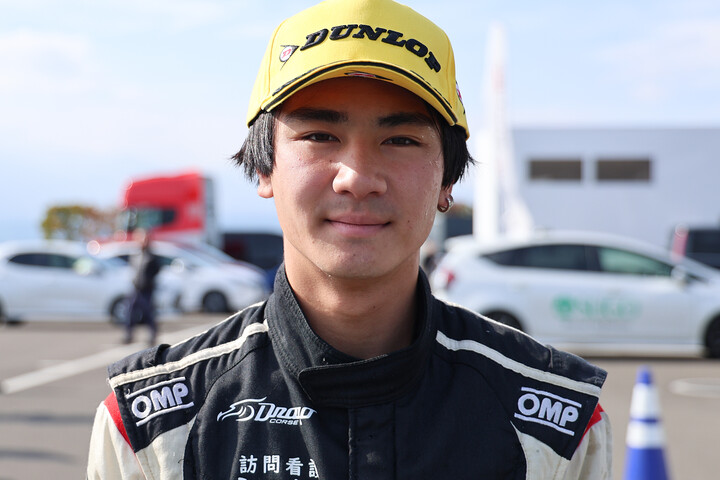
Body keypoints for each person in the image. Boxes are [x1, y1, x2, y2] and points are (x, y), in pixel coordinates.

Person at [87, 0, 612, 478]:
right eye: (319, 136)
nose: (357, 178)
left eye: (400, 139)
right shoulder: (152, 429)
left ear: (447, 180)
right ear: (264, 168)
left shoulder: (558, 429)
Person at [123, 229, 161, 346]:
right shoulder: (135, 254)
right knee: (130, 311)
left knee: (148, 313)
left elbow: (157, 270)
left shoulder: (152, 256)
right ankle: (129, 335)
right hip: (136, 288)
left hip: (147, 289)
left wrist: (149, 281)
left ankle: (152, 336)